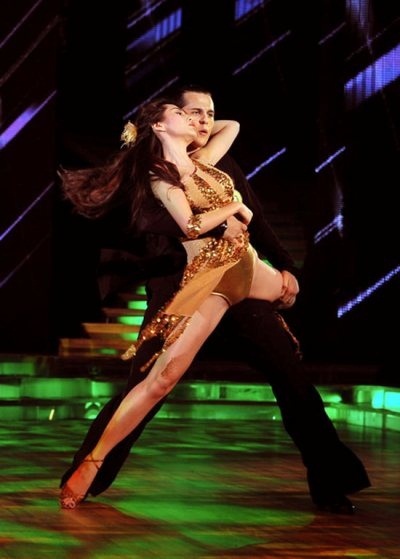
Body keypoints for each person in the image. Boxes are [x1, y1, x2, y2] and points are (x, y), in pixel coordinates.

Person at [59, 86, 370, 514]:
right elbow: (161, 225)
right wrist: (222, 217)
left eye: (209, 113)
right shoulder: (154, 173)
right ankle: (89, 471)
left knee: (292, 378)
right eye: (193, 113)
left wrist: (285, 266)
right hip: (182, 286)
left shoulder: (217, 160)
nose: (203, 120)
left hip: (241, 284)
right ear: (167, 123)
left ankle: (330, 481)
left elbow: (256, 215)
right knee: (151, 380)